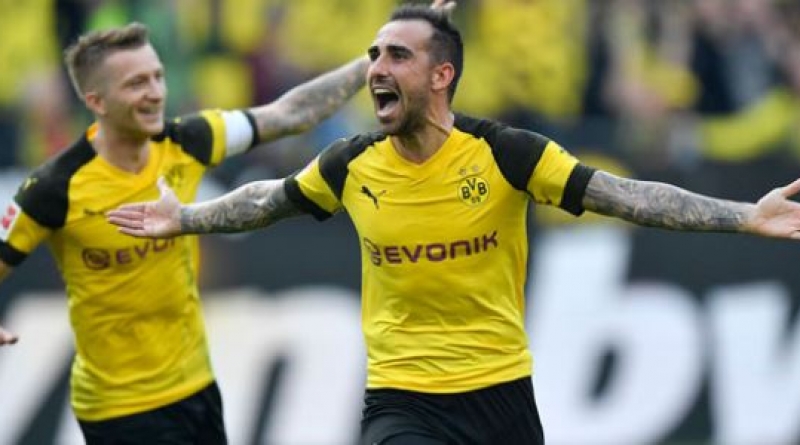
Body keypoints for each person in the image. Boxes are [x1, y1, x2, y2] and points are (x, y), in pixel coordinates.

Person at [106, 5, 800, 445]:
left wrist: (745, 215)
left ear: (441, 76)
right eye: (374, 56)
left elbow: (626, 196)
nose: (376, 69)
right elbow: (268, 199)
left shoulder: (506, 153)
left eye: (396, 56)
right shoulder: (352, 163)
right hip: (402, 401)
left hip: (501, 397)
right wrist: (185, 217)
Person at [0, 5, 444, 441]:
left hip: (194, 391)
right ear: (96, 101)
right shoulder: (54, 187)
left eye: (157, 76)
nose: (155, 93)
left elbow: (290, 114)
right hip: (119, 408)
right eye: (136, 83)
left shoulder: (185, 141)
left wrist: (375, 63)